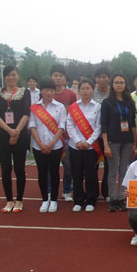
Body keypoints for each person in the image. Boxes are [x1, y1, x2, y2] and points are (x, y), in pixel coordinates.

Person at [0, 65, 30, 213]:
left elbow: (26, 114)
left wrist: (16, 132)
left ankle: (19, 200)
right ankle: (9, 200)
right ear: (4, 77)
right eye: (8, 75)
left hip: (20, 136)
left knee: (20, 169)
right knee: (5, 170)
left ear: (18, 76)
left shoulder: (25, 92)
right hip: (2, 136)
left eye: (14, 74)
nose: (11, 77)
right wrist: (9, 131)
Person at [29, 78, 66, 213]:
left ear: (54, 92)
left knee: (54, 172)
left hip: (55, 146)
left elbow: (62, 126)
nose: (49, 93)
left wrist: (51, 143)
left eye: (51, 90)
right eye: (46, 90)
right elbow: (32, 125)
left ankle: (54, 200)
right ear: (41, 91)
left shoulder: (60, 107)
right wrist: (39, 143)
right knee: (42, 173)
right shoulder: (35, 107)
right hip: (38, 146)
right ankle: (45, 199)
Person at [101, 73, 137, 212]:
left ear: (125, 84)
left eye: (122, 82)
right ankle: (112, 198)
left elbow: (132, 123)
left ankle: (121, 197)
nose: (119, 85)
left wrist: (135, 142)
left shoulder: (130, 102)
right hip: (112, 141)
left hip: (127, 141)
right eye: (116, 82)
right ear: (112, 85)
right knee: (112, 171)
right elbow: (103, 124)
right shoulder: (107, 102)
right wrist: (105, 144)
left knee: (124, 170)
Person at [66, 78, 101, 212]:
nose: (85, 91)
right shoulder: (74, 107)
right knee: (77, 174)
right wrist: (77, 141)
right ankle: (78, 200)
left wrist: (88, 142)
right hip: (75, 146)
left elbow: (98, 127)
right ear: (79, 91)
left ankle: (91, 200)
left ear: (92, 90)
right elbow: (70, 125)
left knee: (91, 174)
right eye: (83, 89)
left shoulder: (97, 107)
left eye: (88, 88)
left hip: (91, 147)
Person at [50, 63, 77, 202]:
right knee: (51, 167)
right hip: (50, 136)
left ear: (65, 78)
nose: (58, 78)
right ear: (51, 77)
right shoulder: (47, 93)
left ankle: (67, 190)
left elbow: (75, 114)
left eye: (60, 76)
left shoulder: (71, 95)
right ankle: (50, 191)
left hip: (66, 136)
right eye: (55, 75)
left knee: (68, 166)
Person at [93, 66, 111, 203]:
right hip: (92, 135)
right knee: (92, 165)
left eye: (104, 76)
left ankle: (106, 192)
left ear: (108, 78)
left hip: (108, 135)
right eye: (99, 77)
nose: (101, 79)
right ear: (96, 79)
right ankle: (93, 192)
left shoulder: (113, 93)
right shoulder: (90, 92)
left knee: (108, 166)